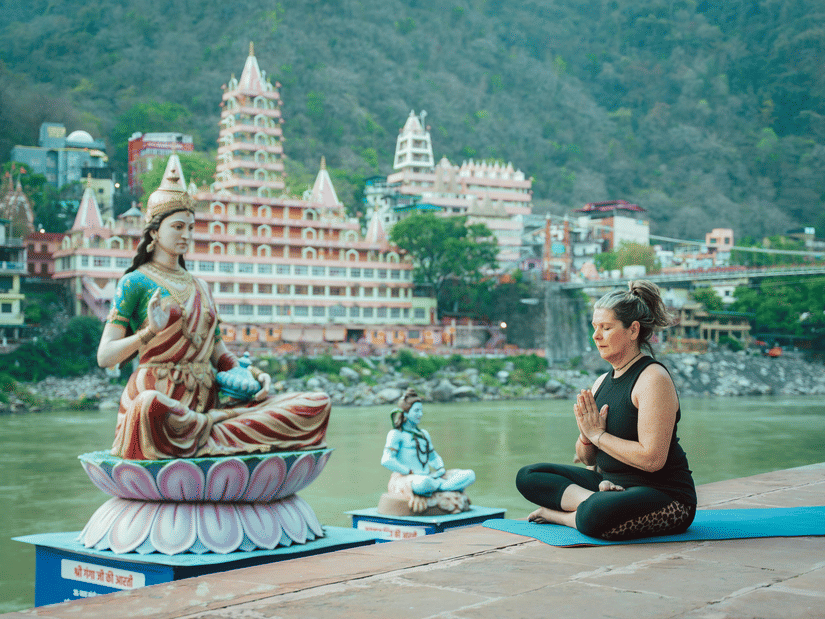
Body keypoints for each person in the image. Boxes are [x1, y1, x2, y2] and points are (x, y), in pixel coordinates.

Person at [97, 155, 330, 460]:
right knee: (148, 404)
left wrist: (252, 376)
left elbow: (219, 355)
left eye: (190, 227)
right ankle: (209, 431)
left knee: (316, 403)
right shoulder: (135, 282)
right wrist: (147, 334)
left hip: (209, 401)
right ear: (154, 231)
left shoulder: (201, 287)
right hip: (162, 408)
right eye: (178, 226)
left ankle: (211, 430)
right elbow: (105, 356)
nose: (186, 235)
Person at [516, 280, 696, 540]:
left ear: (633, 330)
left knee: (598, 512)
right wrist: (586, 436)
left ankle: (564, 515)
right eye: (595, 327)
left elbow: (652, 459)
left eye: (606, 328)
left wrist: (599, 436)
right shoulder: (601, 381)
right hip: (607, 484)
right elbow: (588, 459)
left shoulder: (652, 379)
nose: (596, 336)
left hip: (664, 496)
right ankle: (590, 501)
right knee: (529, 476)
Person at [381, 388, 475, 513]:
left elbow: (432, 456)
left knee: (469, 475)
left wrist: (440, 468)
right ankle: (444, 487)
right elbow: (386, 460)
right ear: (405, 413)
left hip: (430, 476)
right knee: (423, 483)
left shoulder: (423, 434)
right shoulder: (396, 434)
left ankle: (440, 487)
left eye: (421, 411)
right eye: (416, 411)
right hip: (408, 478)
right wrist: (408, 471)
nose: (420, 414)